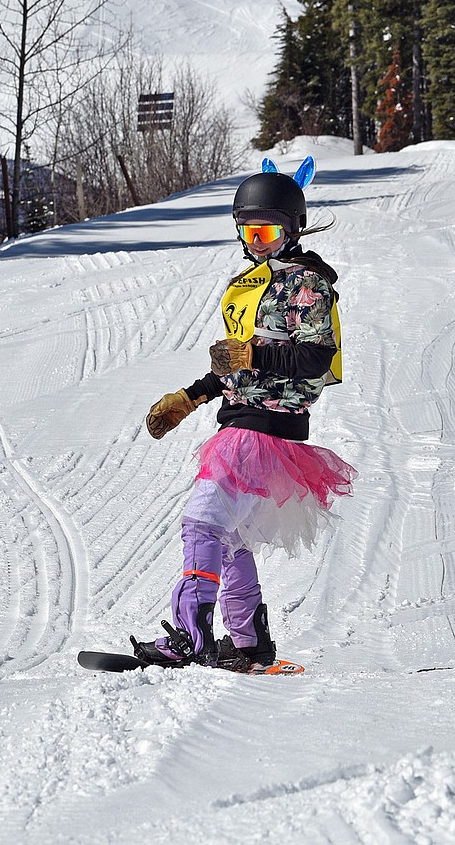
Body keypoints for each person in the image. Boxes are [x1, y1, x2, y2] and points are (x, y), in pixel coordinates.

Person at [133, 157, 356, 672]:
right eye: (247, 232)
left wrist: (252, 356)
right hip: (252, 423)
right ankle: (249, 643)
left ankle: (191, 637)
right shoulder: (257, 283)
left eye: (267, 231)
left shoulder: (304, 284)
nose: (256, 242)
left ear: (292, 229)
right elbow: (238, 363)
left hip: (263, 429)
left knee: (203, 525)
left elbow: (314, 355)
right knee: (229, 539)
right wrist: (192, 396)